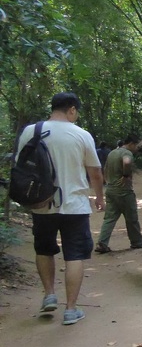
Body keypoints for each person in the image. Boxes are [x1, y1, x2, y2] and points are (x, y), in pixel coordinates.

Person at [14, 92, 105, 325]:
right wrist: (99, 198)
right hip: (74, 205)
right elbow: (95, 172)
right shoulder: (81, 135)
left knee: (44, 250)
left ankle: (49, 295)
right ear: (72, 109)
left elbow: (20, 167)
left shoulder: (30, 131)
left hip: (41, 204)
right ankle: (71, 310)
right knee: (74, 255)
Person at [94, 134, 142, 254]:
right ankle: (137, 242)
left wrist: (107, 180)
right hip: (124, 191)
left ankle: (102, 243)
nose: (137, 149)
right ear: (131, 144)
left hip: (111, 190)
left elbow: (105, 168)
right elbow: (127, 161)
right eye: (136, 146)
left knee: (109, 218)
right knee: (132, 218)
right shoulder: (127, 153)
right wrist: (125, 175)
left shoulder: (112, 153)